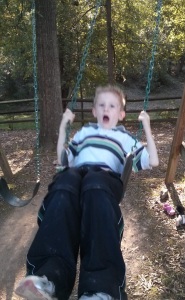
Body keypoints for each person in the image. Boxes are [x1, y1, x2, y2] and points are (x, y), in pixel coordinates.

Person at [15, 85, 159, 300]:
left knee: (94, 182)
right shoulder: (85, 133)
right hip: (76, 175)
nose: (105, 109)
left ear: (121, 114)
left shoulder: (126, 138)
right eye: (101, 105)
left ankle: (100, 289)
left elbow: (153, 161)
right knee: (64, 185)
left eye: (112, 106)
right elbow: (64, 160)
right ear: (94, 111)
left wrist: (146, 126)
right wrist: (64, 125)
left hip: (104, 179)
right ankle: (49, 278)